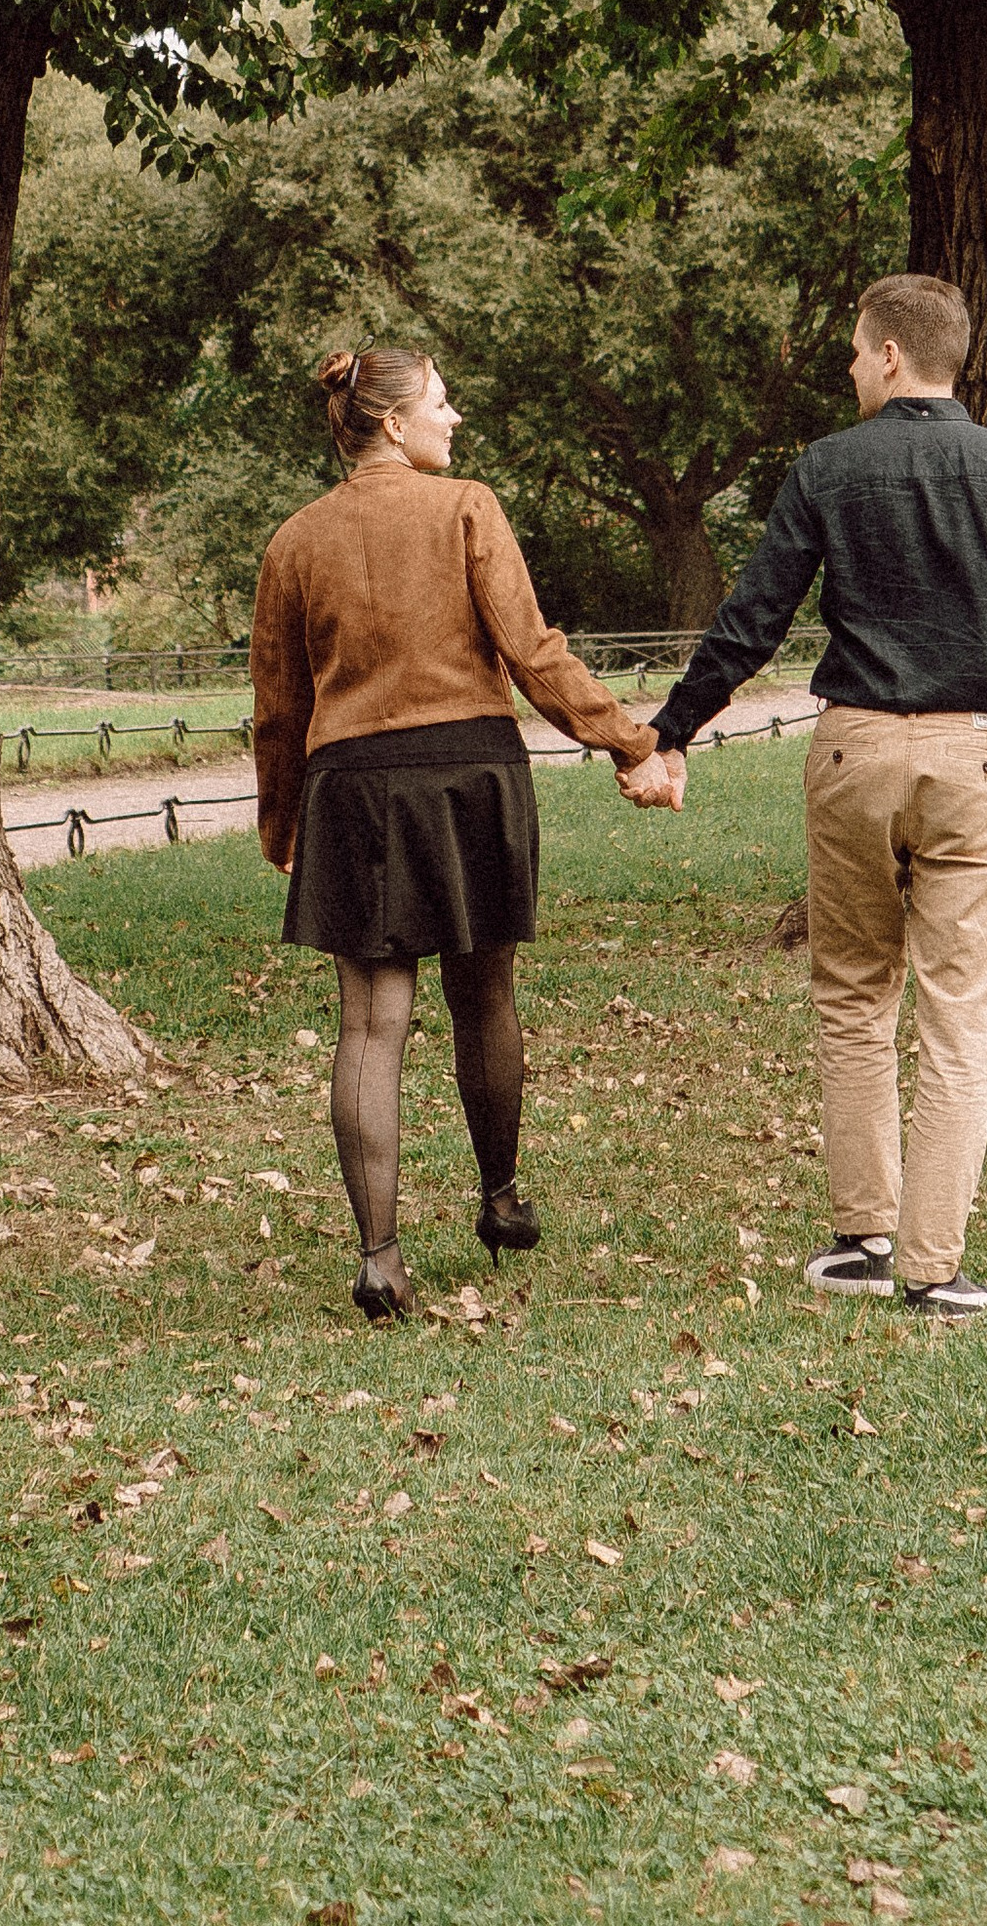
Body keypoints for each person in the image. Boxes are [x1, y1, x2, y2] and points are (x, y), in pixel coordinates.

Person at [620, 273, 987, 1322]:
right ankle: (933, 1270)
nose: (847, 369)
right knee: (959, 1017)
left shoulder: (829, 469)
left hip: (853, 751)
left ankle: (863, 1238)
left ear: (889, 354)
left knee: (851, 994)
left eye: (851, 351)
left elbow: (752, 618)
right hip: (979, 754)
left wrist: (670, 730)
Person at [251, 342, 662, 1322]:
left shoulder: (293, 542)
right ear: (393, 422)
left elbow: (277, 706)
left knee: (369, 1022)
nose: (454, 416)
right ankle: (501, 1198)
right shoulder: (467, 507)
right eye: (441, 401)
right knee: (484, 992)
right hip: (471, 772)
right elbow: (533, 652)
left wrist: (283, 824)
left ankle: (380, 1259)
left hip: (351, 788)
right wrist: (630, 741)